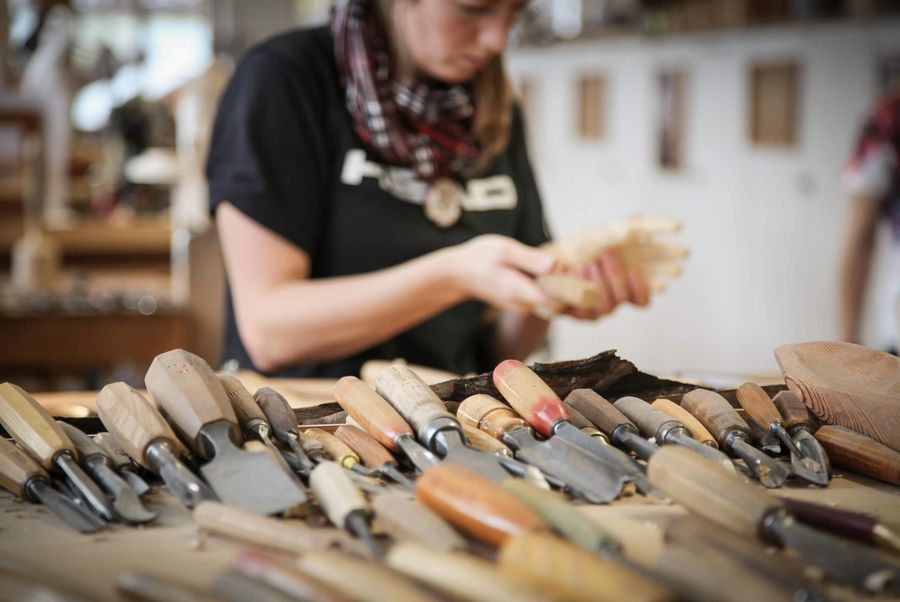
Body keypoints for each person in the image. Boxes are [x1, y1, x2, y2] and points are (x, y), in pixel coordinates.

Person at [206, 0, 650, 379]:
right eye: (474, 8)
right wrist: (454, 274)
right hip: (303, 423)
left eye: (514, 12)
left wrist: (548, 293)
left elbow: (497, 348)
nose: (498, 39)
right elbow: (269, 332)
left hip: (448, 415)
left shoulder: (495, 109)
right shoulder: (285, 80)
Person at [840, 76, 900, 355]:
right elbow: (861, 234)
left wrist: (849, 341)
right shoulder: (889, 115)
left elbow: (862, 234)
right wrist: (849, 342)